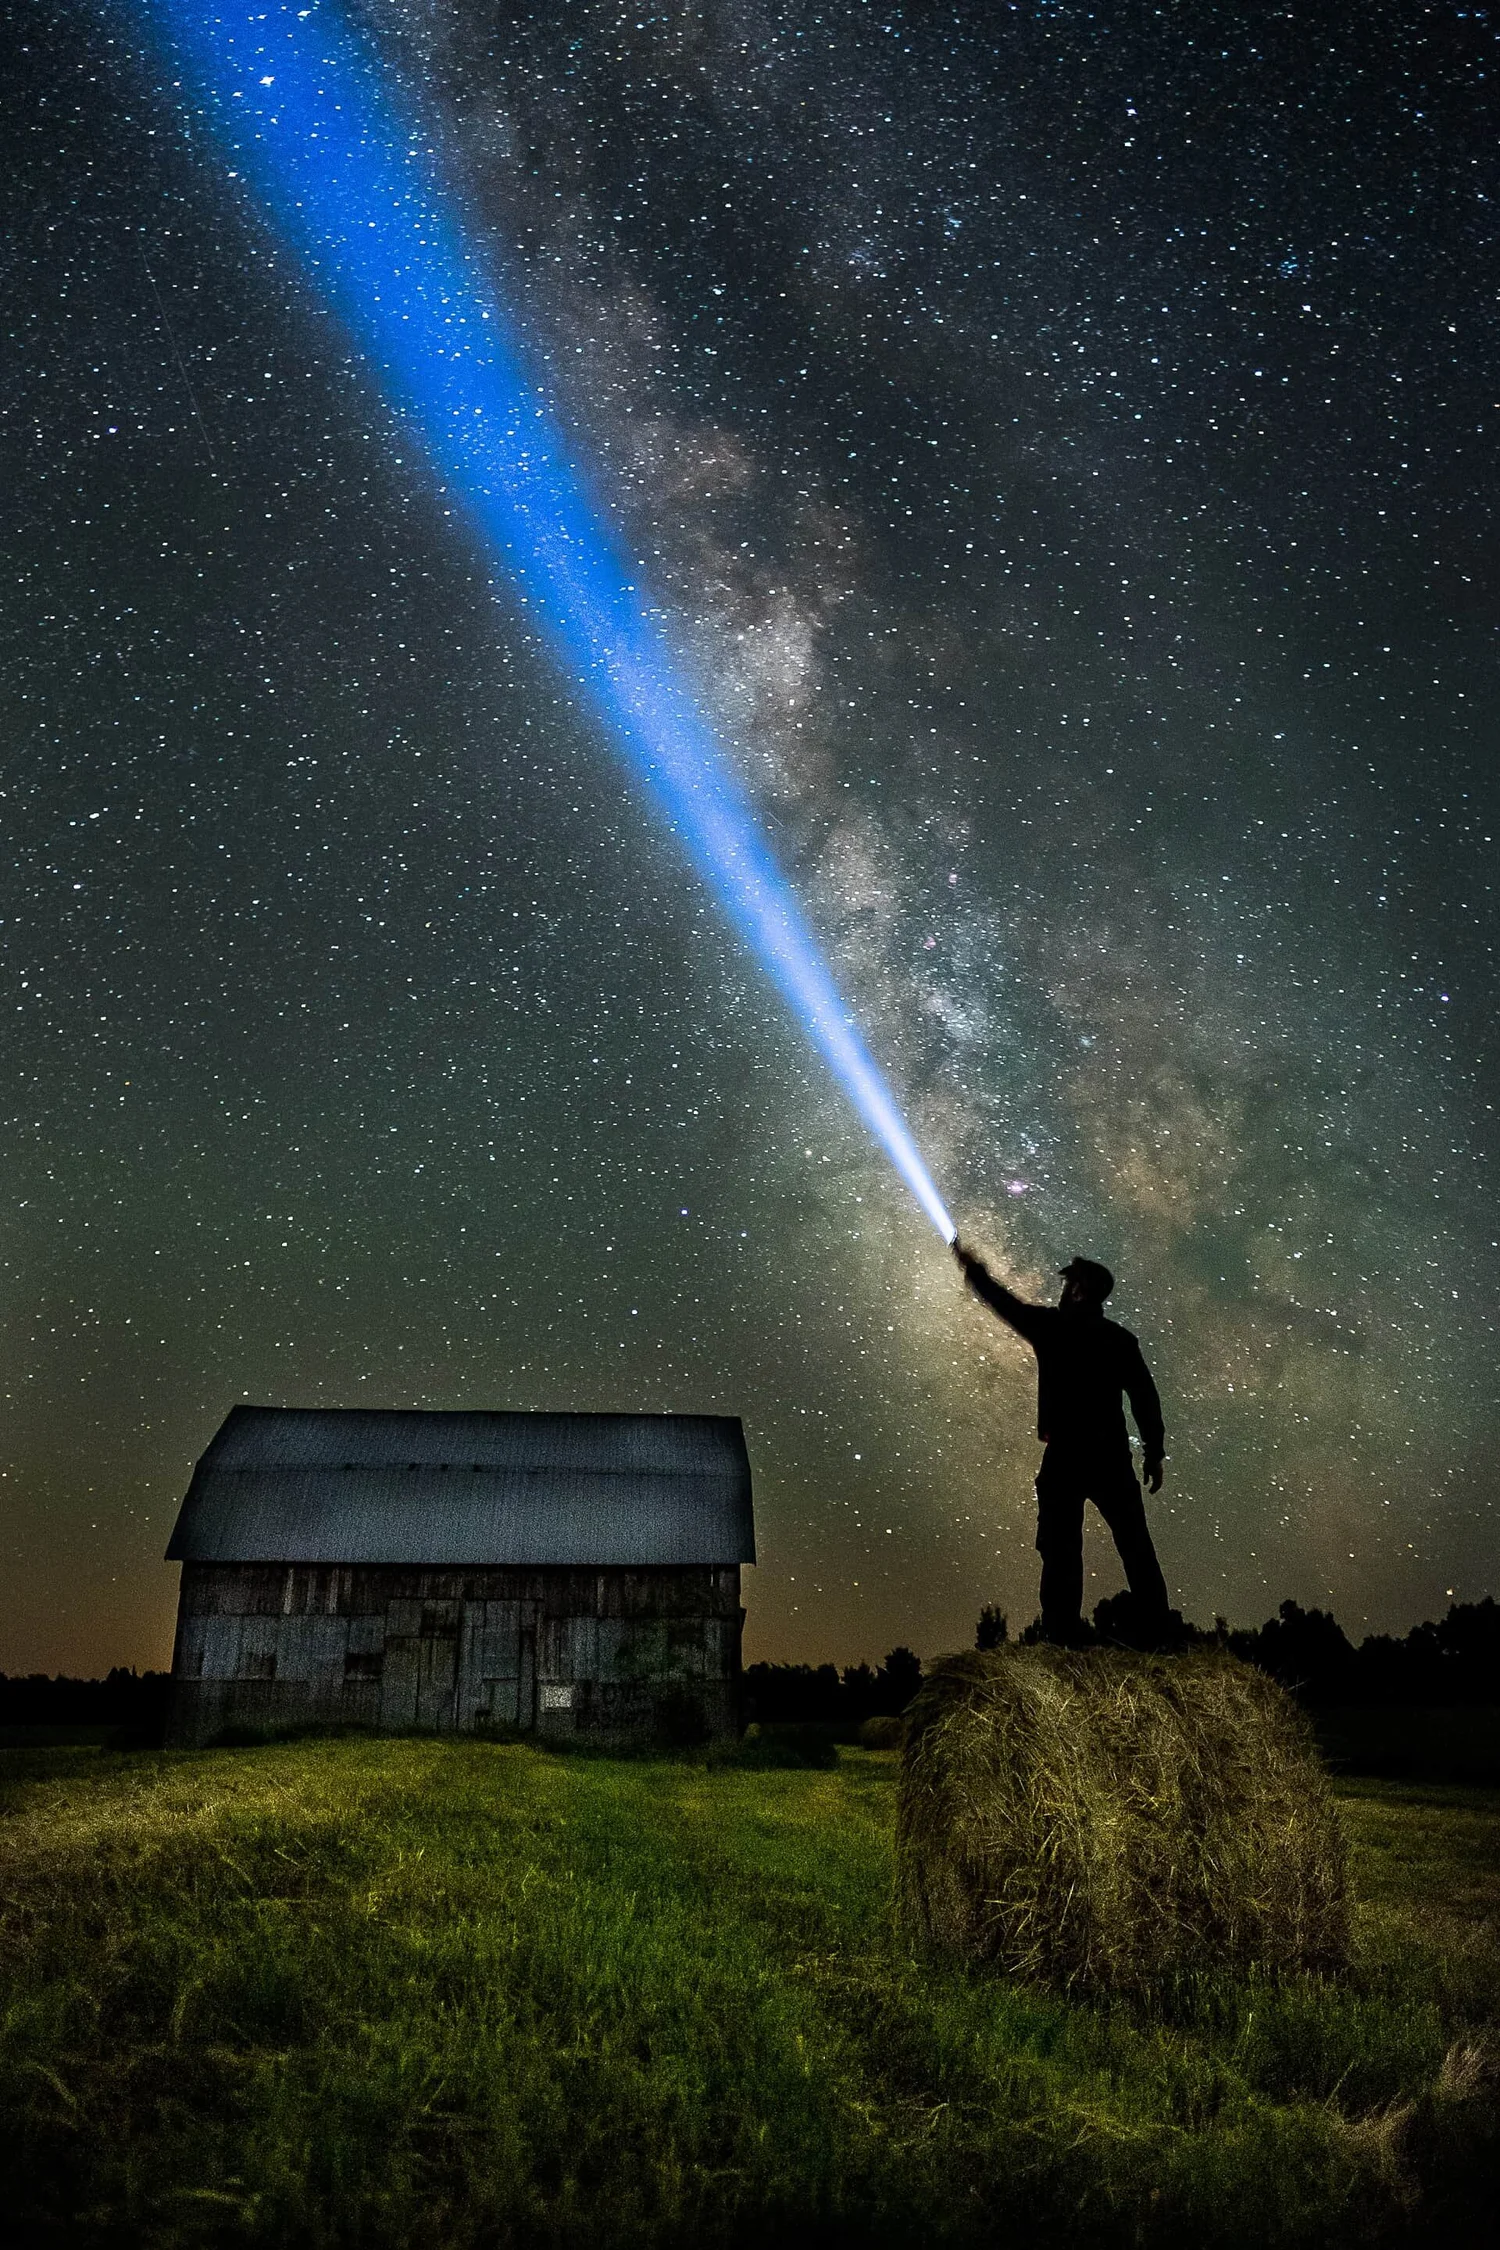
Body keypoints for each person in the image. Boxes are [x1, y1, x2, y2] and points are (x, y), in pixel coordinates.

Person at [953, 1241, 1171, 1644]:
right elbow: (1145, 1398)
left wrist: (974, 1269)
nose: (1062, 1288)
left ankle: (1063, 1641)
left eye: (1068, 1282)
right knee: (1136, 1548)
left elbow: (1005, 1303)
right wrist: (1153, 1453)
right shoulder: (1119, 1341)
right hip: (1110, 1458)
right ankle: (1161, 1637)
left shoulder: (1052, 1328)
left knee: (1061, 1554)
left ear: (1078, 1290)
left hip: (1067, 1457)